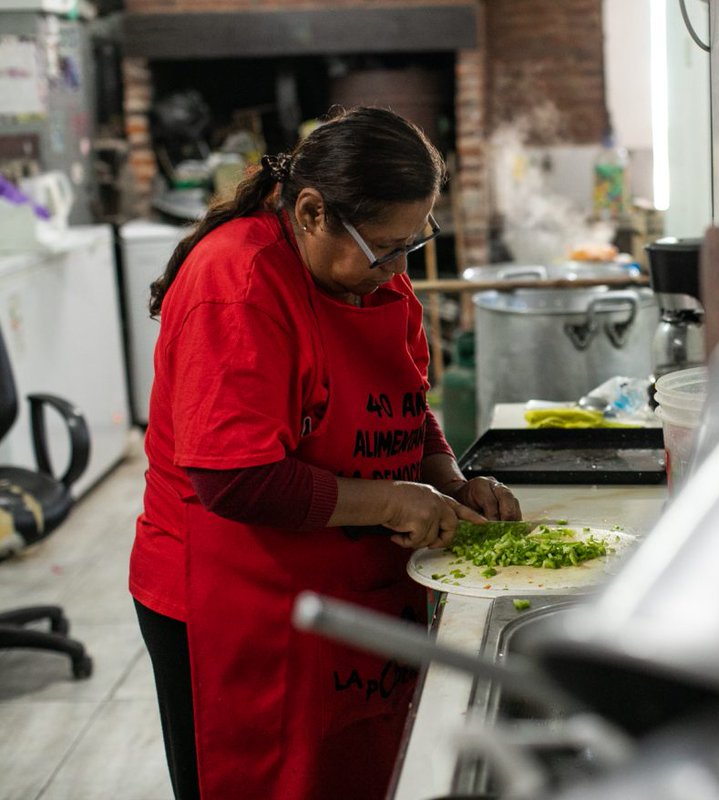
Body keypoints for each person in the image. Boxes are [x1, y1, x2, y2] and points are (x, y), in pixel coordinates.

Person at [128, 106, 522, 800]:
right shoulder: (238, 283)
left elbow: (403, 403)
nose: (399, 268)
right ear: (311, 212)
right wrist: (396, 499)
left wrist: (449, 480)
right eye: (384, 248)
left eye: (411, 244)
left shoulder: (370, 273)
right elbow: (235, 479)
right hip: (238, 602)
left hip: (348, 584)